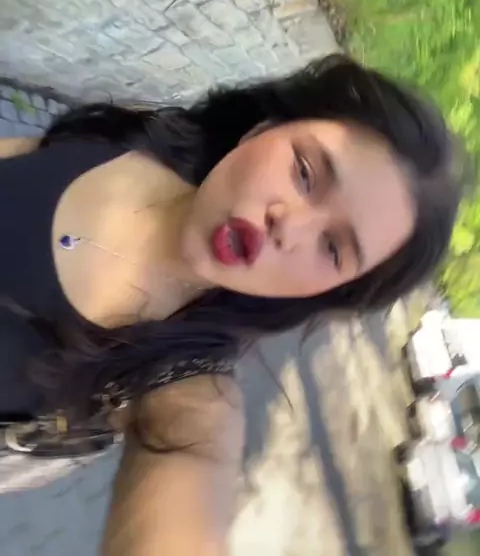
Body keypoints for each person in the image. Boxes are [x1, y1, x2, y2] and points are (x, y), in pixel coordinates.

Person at [0, 54, 462, 554]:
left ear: (323, 293)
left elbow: (185, 486)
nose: (289, 225)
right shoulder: (139, 137)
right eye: (305, 172)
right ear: (261, 130)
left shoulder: (191, 395)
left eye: (332, 248)